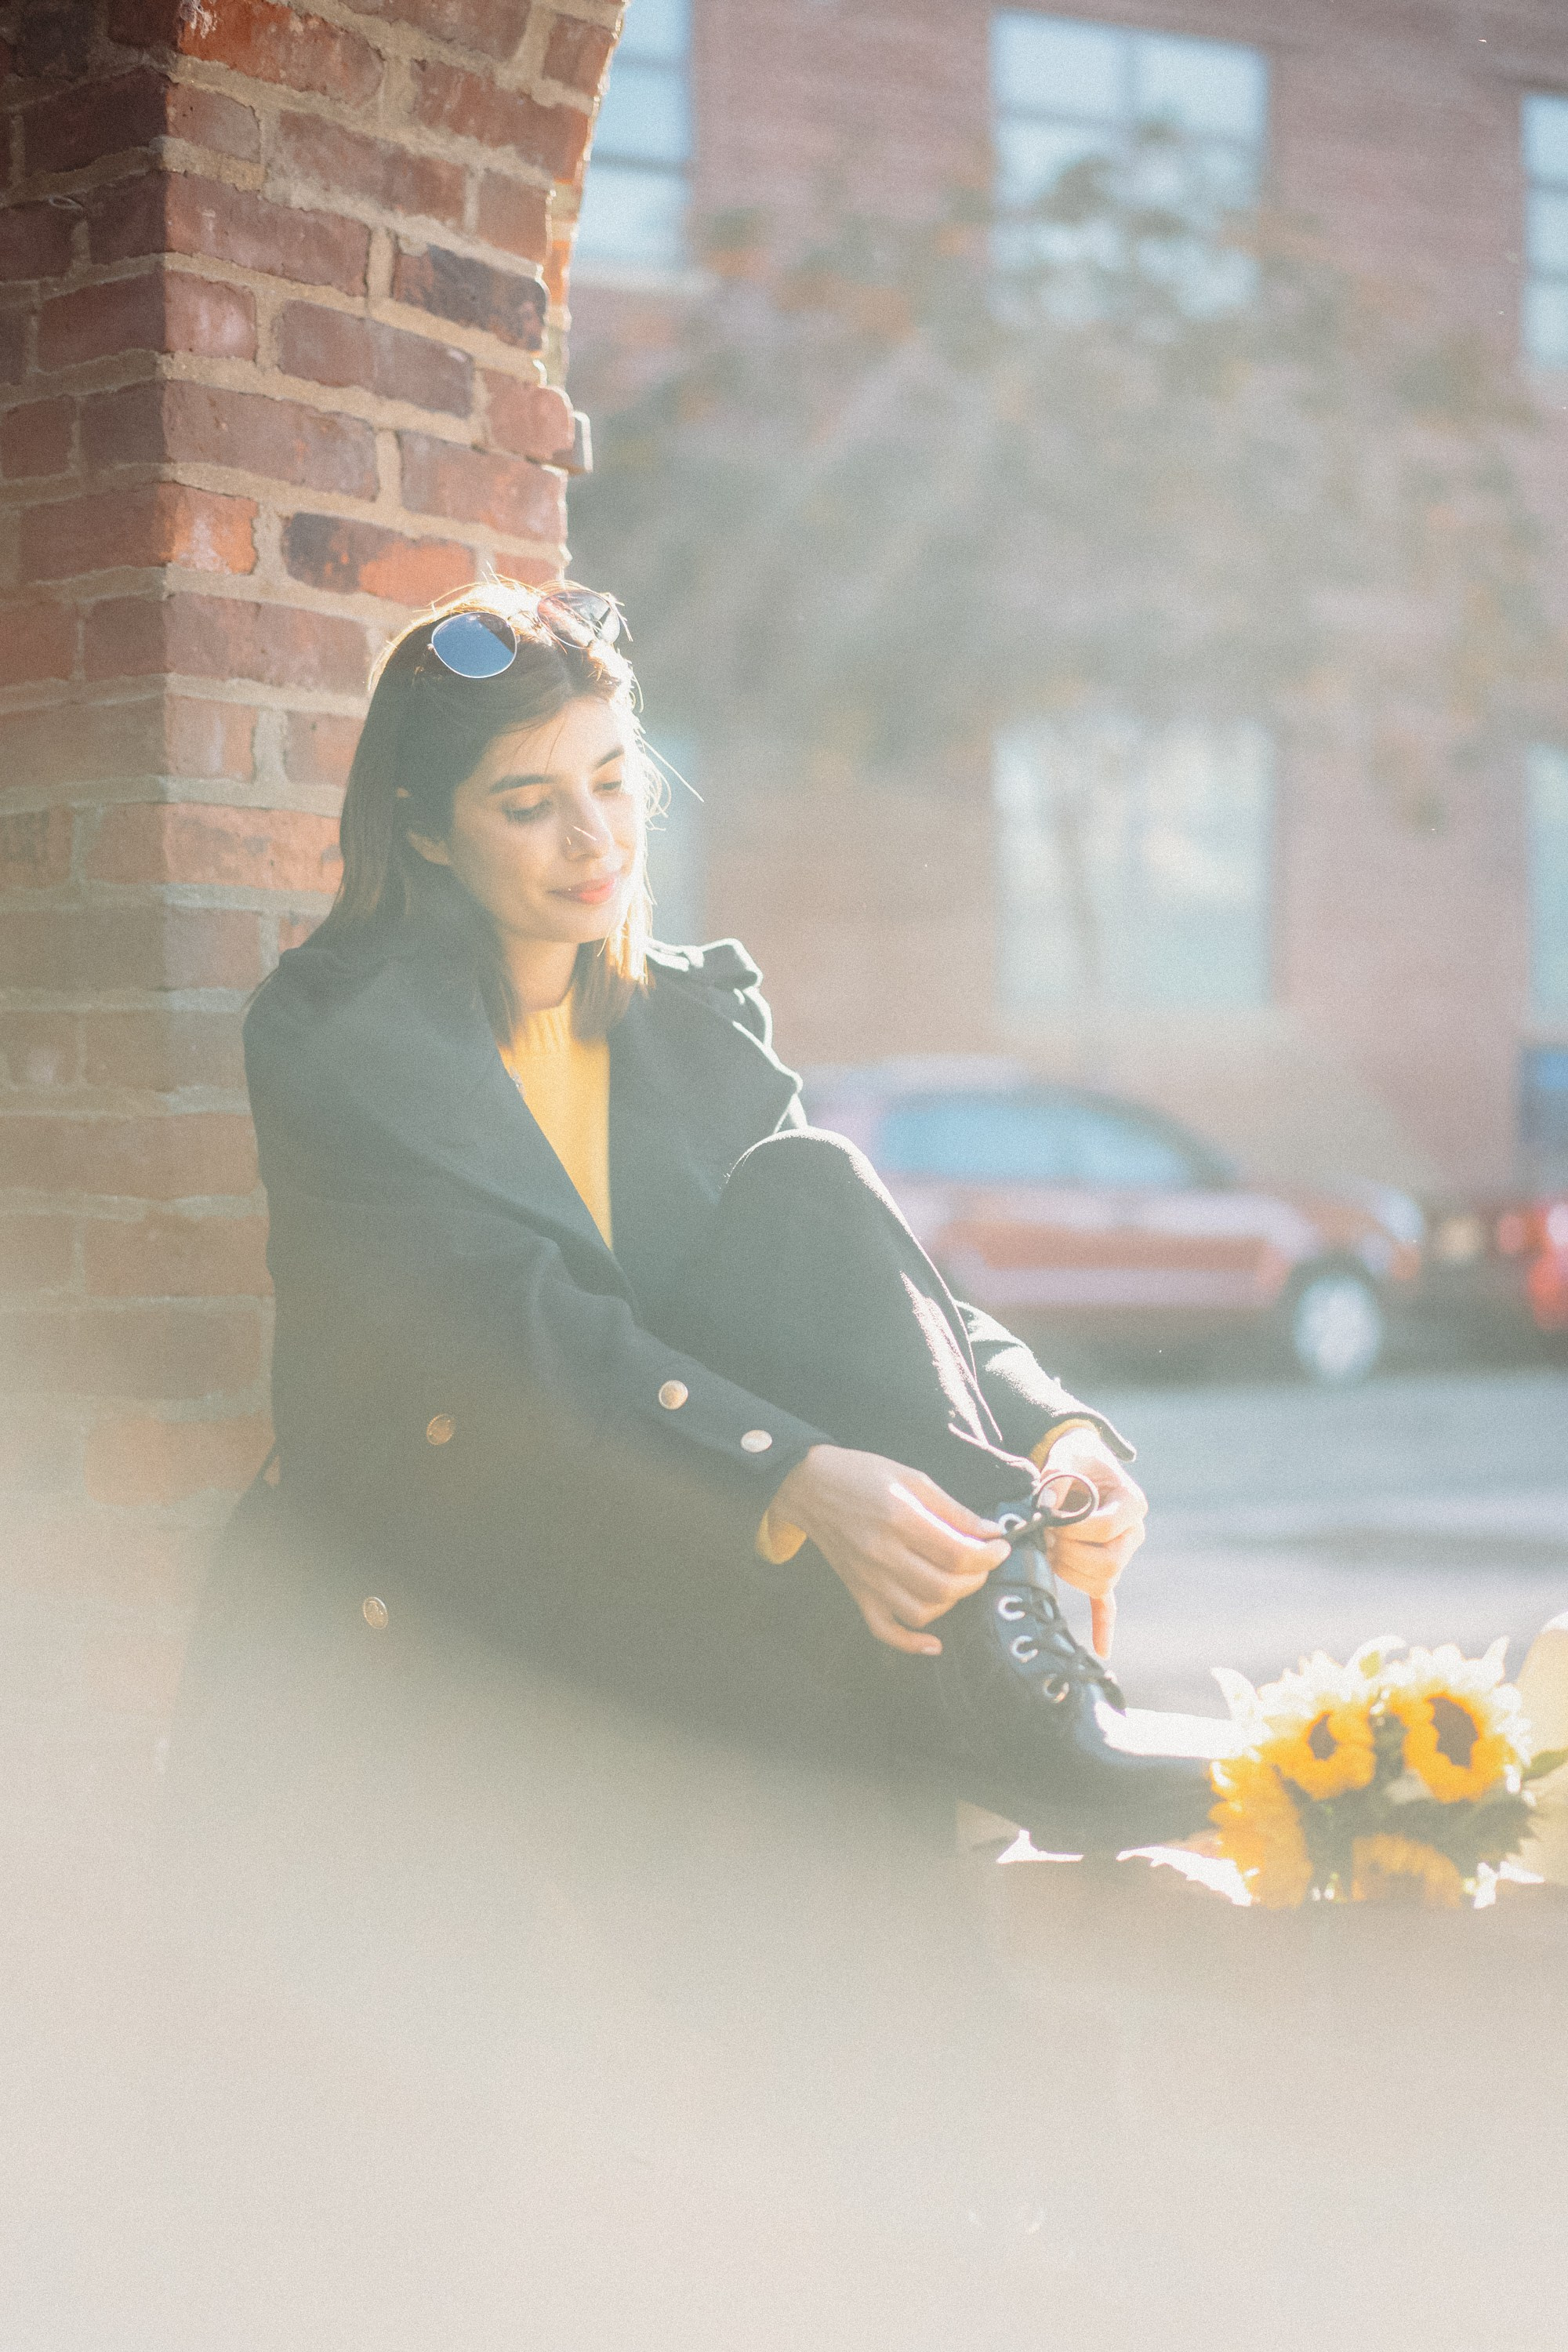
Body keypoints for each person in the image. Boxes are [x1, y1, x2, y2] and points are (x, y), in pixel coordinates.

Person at [172, 582, 1218, 1867]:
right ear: (430, 834)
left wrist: (1052, 1433)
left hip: (671, 1528)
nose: (593, 839)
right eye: (529, 804)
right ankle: (984, 1723)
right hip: (462, 1547)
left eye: (614, 782)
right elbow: (502, 1330)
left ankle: (1005, 1698)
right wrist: (790, 1472)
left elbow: (865, 1283)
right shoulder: (338, 1035)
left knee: (812, 1184)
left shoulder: (693, 1021)